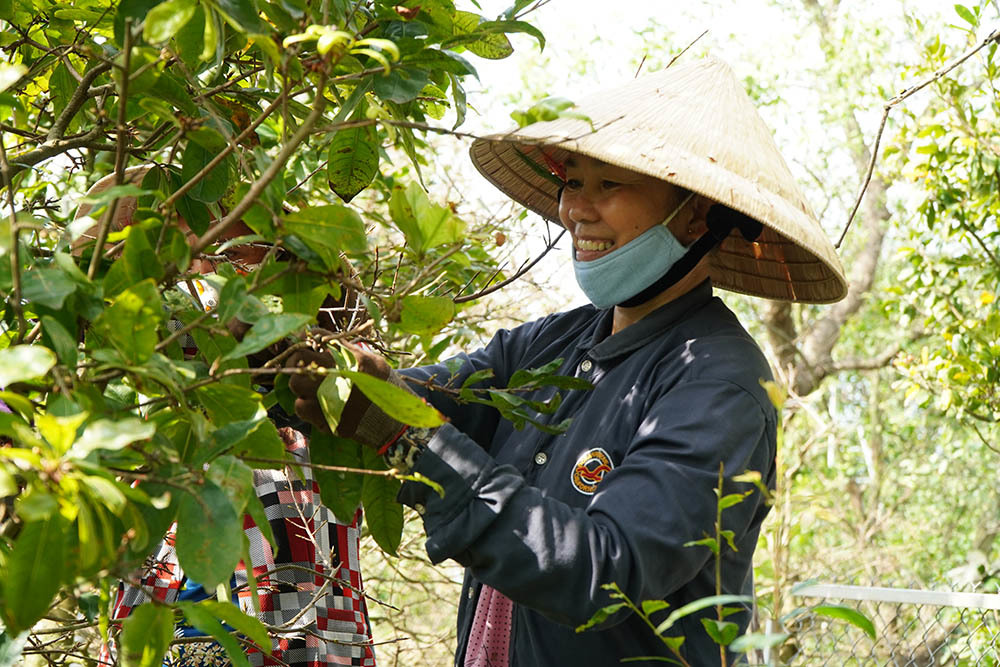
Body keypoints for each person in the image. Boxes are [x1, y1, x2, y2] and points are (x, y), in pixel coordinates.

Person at [291, 57, 848, 665]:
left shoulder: (717, 383)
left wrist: (403, 437)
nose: (576, 209)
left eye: (609, 184)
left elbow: (606, 570)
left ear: (694, 214)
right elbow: (419, 395)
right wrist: (319, 338)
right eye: (573, 181)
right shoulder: (553, 346)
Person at [75, 167, 377, 667]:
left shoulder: (319, 350)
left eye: (232, 252)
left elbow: (364, 380)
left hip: (294, 600)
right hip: (171, 578)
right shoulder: (146, 340)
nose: (208, 265)